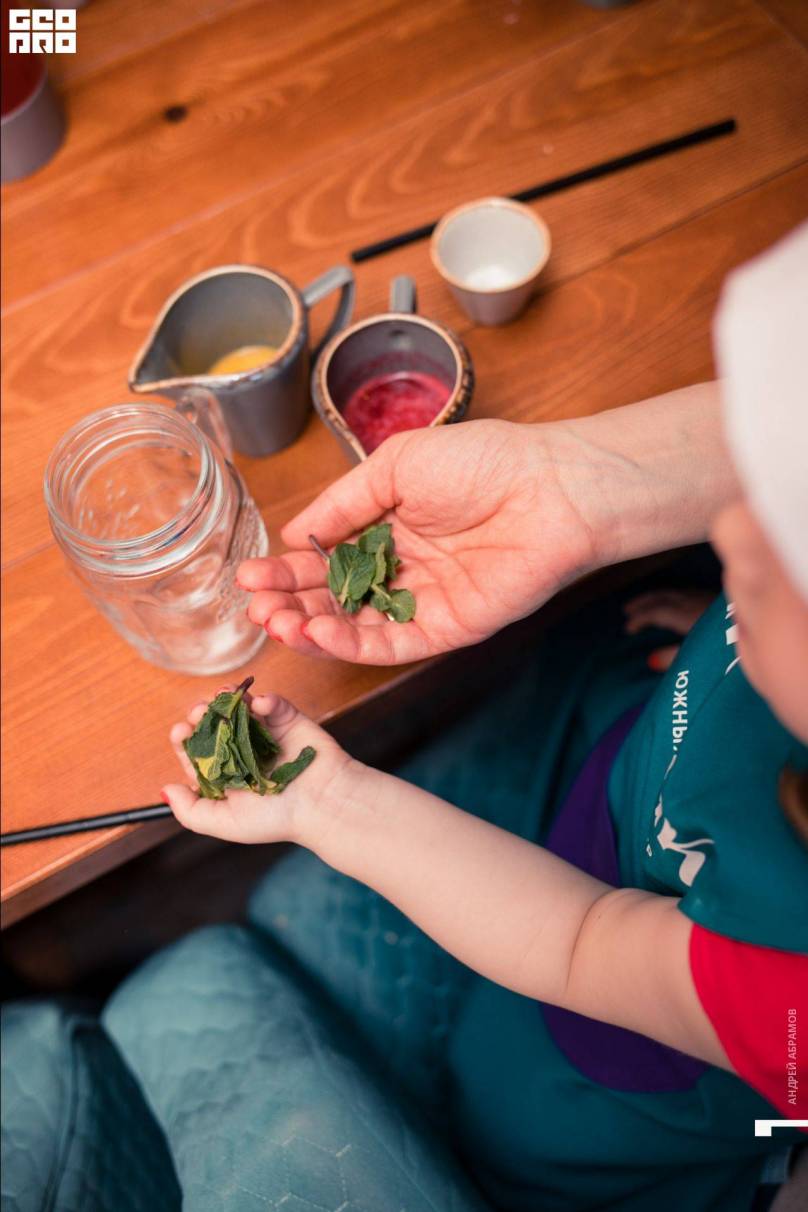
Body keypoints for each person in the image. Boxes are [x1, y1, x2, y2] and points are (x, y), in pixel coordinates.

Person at [156, 223, 808, 1210]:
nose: (727, 531)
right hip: (629, 763)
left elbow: (579, 938)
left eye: (782, 562)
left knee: (502, 1102)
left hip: (615, 1052)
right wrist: (727, 636)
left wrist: (326, 801)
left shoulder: (785, 993)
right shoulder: (762, 602)